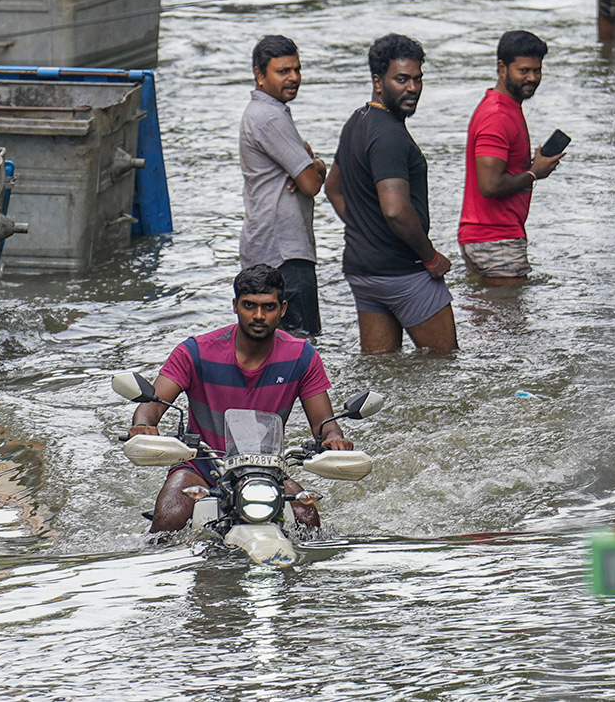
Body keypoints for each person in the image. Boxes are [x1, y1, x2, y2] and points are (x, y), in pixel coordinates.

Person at [127, 264, 353, 533]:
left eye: (268, 307)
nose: (259, 315)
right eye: (249, 305)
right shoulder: (195, 352)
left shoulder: (302, 357)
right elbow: (150, 407)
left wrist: (333, 438)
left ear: (282, 308)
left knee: (308, 519)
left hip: (267, 469)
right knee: (169, 518)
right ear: (235, 306)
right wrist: (143, 426)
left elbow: (324, 423)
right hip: (201, 465)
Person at [324, 34, 457, 355]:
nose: (412, 88)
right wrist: (431, 257)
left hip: (363, 272)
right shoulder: (389, 136)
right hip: (403, 273)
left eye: (417, 79)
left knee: (382, 374)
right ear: (378, 82)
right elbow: (396, 210)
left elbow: (333, 188)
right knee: (445, 368)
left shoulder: (357, 121)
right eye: (401, 79)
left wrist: (365, 232)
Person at [458, 31, 567, 285]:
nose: (532, 78)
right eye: (524, 71)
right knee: (509, 324)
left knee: (493, 322)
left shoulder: (504, 108)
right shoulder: (497, 116)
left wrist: (531, 166)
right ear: (502, 68)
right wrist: (533, 173)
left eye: (537, 71)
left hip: (486, 237)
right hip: (496, 239)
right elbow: (490, 185)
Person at [239, 35, 326, 336]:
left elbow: (308, 176)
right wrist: (315, 166)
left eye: (297, 70)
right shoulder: (269, 117)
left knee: (274, 349)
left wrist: (313, 166)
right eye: (283, 71)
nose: (293, 78)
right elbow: (311, 184)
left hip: (266, 247)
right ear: (259, 75)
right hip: (285, 252)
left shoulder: (264, 113)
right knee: (300, 348)